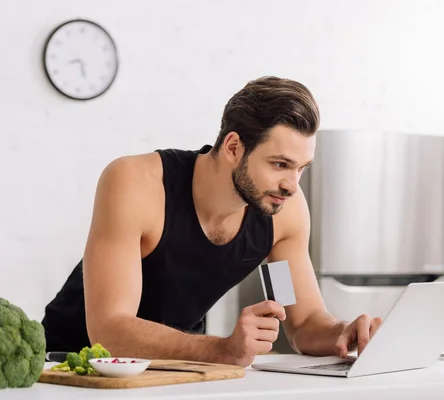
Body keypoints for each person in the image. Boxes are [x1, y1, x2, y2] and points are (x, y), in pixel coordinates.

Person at [42, 76, 383, 367]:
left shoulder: (282, 215)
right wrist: (224, 350)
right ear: (234, 147)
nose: (293, 185)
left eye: (301, 168)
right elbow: (111, 330)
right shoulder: (136, 183)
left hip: (181, 370)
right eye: (280, 164)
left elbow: (305, 322)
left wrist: (342, 332)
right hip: (74, 368)